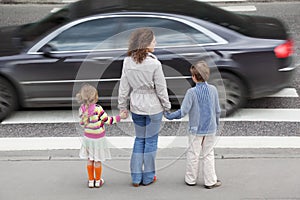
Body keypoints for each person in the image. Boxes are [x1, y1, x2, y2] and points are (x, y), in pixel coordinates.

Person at [118, 28, 171, 187]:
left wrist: (122, 106)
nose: (156, 43)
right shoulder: (155, 63)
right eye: (154, 41)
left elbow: (123, 86)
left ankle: (135, 177)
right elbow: (161, 89)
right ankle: (148, 177)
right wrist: (166, 106)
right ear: (146, 44)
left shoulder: (127, 61)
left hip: (136, 107)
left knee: (139, 140)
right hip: (153, 108)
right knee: (151, 142)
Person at [164, 61, 222, 189]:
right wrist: (216, 124)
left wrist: (169, 116)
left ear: (194, 77)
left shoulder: (191, 92)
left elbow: (183, 111)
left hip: (195, 130)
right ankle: (210, 181)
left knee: (193, 154)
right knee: (208, 154)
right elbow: (217, 110)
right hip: (211, 128)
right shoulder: (213, 90)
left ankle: (191, 179)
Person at [76, 83, 127, 188]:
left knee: (90, 159)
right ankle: (98, 180)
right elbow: (108, 120)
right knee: (97, 160)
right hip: (98, 139)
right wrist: (120, 117)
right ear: (95, 98)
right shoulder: (98, 109)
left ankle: (91, 180)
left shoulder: (81, 109)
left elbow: (81, 124)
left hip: (87, 139)